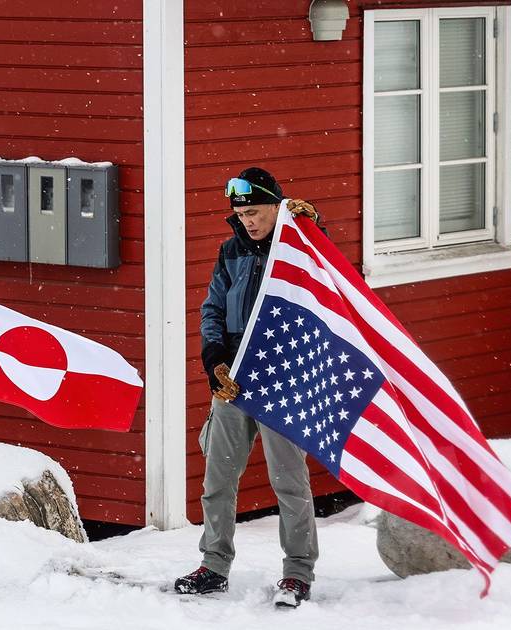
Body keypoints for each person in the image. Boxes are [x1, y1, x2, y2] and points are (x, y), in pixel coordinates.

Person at [174, 167, 323, 609]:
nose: (248, 222)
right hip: (234, 378)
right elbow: (212, 309)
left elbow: (325, 270)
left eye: (255, 212)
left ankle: (297, 573)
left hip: (281, 379)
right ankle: (213, 566)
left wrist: (311, 226)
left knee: (289, 483)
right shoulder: (230, 251)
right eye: (241, 215)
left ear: (277, 207)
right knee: (217, 479)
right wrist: (215, 360)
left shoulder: (296, 243)